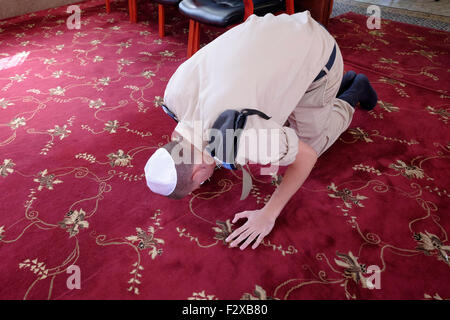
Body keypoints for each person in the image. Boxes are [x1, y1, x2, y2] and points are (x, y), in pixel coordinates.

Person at [144, 11, 378, 250]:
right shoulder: (173, 95)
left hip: (319, 49)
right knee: (281, 126)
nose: (204, 183)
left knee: (314, 143)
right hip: (280, 23)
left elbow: (307, 157)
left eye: (200, 183)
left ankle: (353, 90)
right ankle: (330, 95)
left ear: (197, 174)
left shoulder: (244, 137)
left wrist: (268, 214)